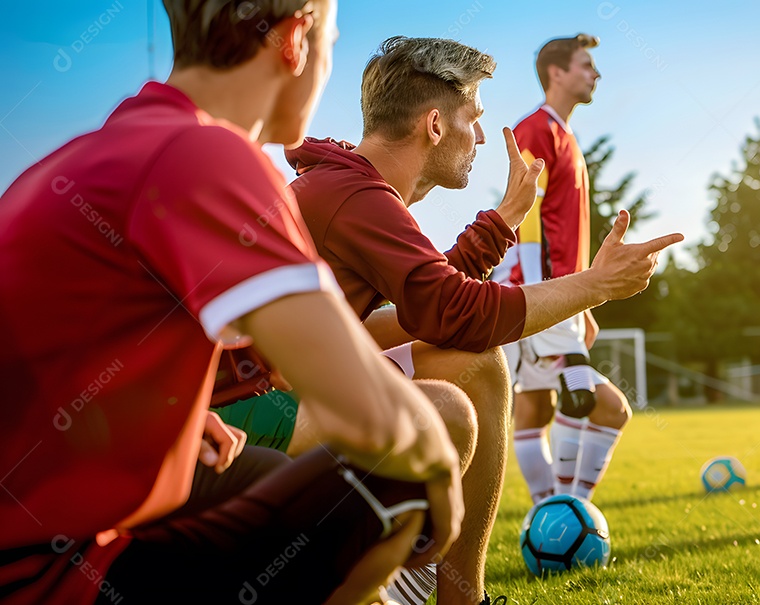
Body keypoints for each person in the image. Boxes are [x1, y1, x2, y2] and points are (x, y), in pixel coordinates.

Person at [0, 2, 465, 604]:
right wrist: (440, 481)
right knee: (405, 476)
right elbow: (369, 412)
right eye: (332, 41)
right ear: (296, 39)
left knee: (262, 477)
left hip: (37, 539)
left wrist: (177, 422)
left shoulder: (80, 158)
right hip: (51, 579)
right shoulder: (206, 151)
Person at [281, 36, 684, 605]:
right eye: (474, 119)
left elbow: (429, 299)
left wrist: (504, 220)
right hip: (253, 412)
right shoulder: (358, 196)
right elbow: (455, 311)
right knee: (473, 362)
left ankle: (447, 586)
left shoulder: (350, 187)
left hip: (286, 387)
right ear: (436, 125)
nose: (480, 138)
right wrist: (594, 285)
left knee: (466, 359)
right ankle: (435, 585)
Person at [492, 33, 633, 506]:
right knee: (595, 403)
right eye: (585, 64)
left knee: (534, 411)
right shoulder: (537, 128)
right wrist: (546, 298)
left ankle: (548, 513)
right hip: (542, 291)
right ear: (557, 72)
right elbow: (526, 216)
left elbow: (566, 233)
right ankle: (571, 511)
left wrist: (584, 302)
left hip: (559, 296)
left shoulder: (566, 135)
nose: (595, 73)